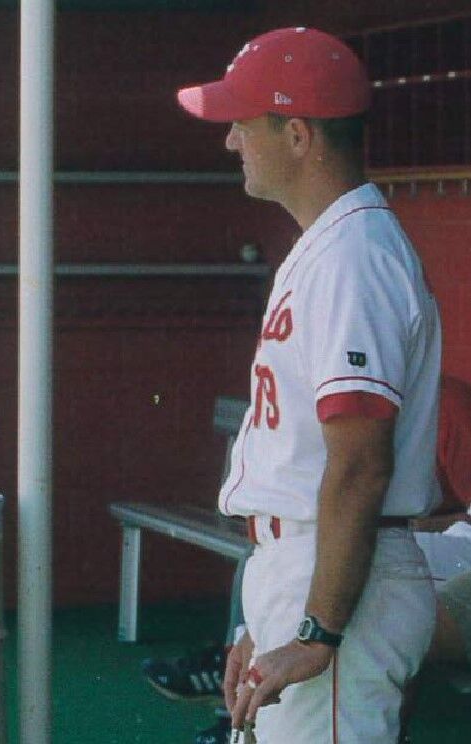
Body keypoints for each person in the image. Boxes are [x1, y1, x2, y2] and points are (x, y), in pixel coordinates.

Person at [175, 27, 442, 743]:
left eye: (242, 121)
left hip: (338, 582)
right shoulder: (327, 245)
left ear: (296, 135)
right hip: (302, 566)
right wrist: (261, 618)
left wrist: (317, 628)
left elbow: (358, 463)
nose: (231, 140)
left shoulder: (353, 257)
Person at [142, 376, 471, 743]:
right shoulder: (350, 399)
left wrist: (414, 522)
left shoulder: (444, 402)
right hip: (403, 539)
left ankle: (239, 689)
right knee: (295, 558)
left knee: (361, 582)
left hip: (450, 545)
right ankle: (239, 692)